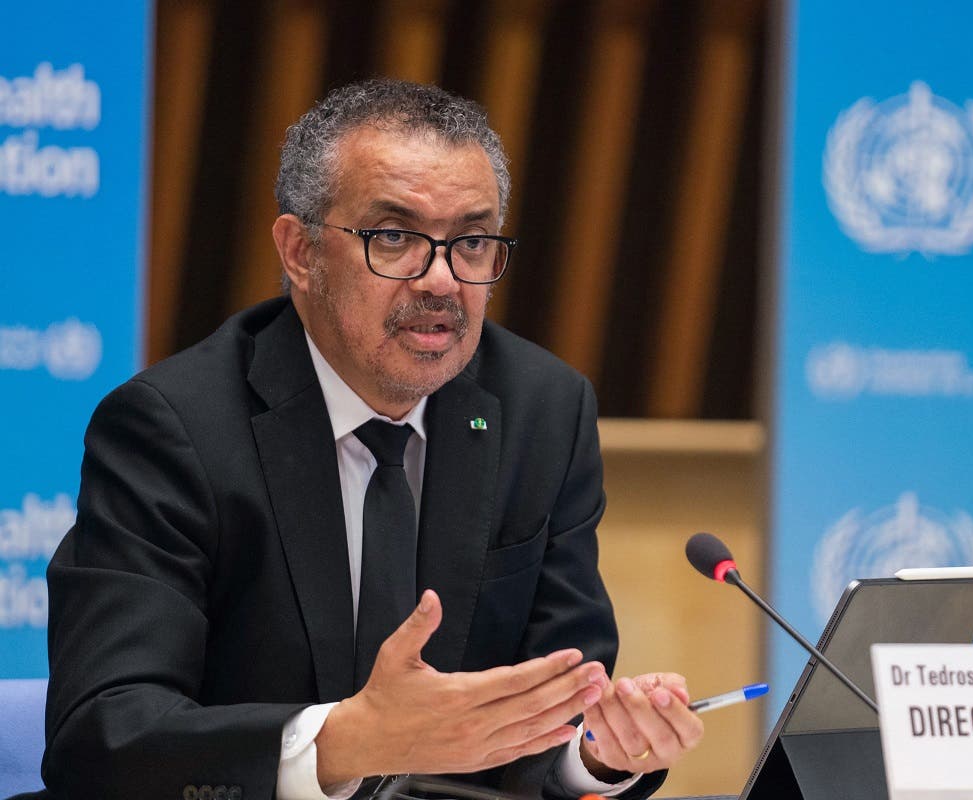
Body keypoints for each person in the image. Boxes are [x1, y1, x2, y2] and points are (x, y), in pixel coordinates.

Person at [41, 80, 702, 799]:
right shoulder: (175, 428)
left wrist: (599, 758)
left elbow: (553, 711)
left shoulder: (543, 411)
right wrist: (343, 743)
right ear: (299, 252)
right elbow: (105, 735)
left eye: (473, 243)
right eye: (394, 238)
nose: (444, 281)